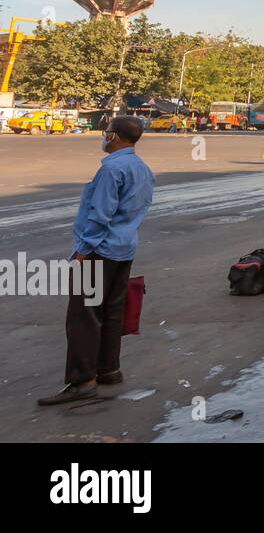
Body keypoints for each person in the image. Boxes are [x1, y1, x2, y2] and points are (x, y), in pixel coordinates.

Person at [38, 116, 155, 406]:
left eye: (107, 132)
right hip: (124, 249)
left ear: (114, 136)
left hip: (98, 250)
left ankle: (82, 380)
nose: (104, 137)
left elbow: (100, 215)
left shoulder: (112, 169)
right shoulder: (143, 169)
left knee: (83, 316)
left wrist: (82, 252)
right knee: (111, 311)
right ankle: (108, 369)